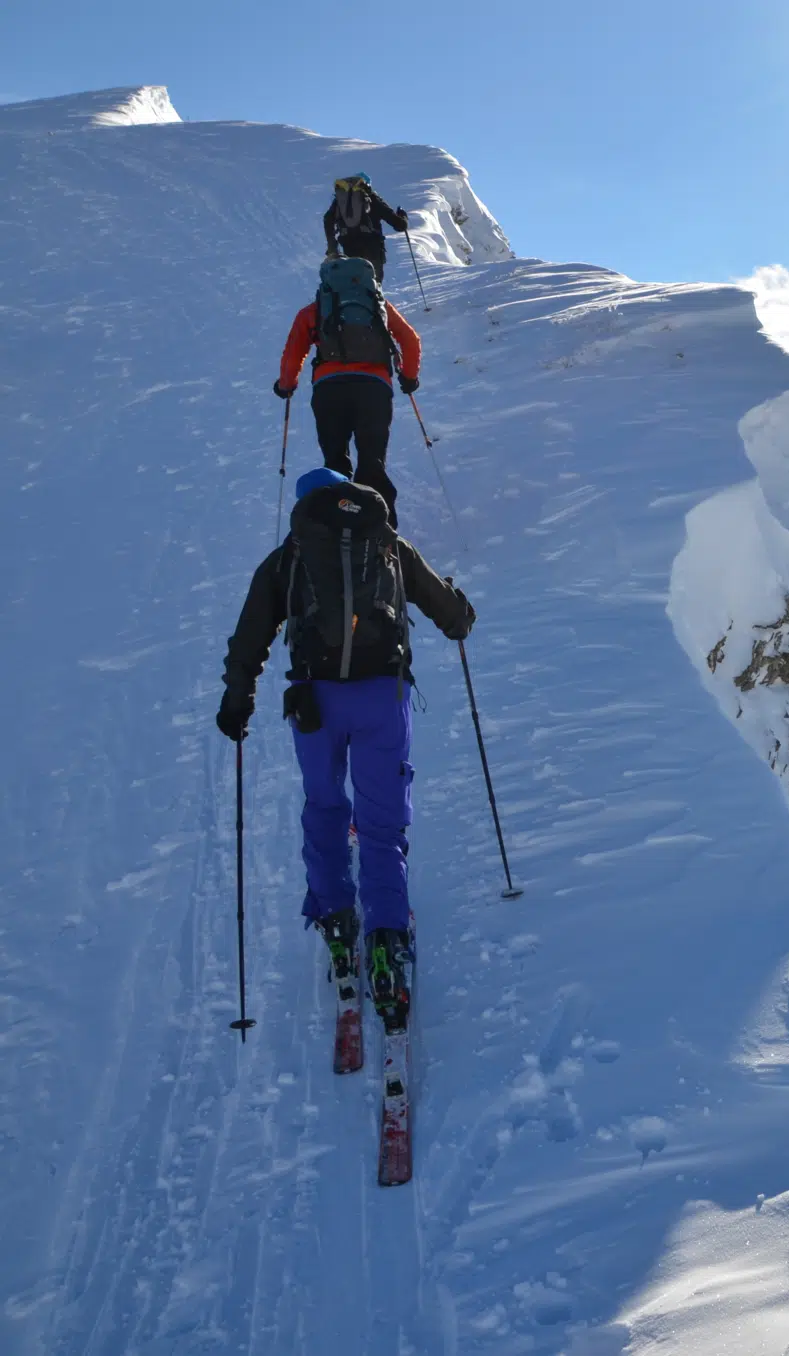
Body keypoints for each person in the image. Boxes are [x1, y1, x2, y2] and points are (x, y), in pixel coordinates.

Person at [215, 468, 474, 1025]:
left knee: (326, 808)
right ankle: (386, 935)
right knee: (381, 822)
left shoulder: (290, 555)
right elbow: (447, 612)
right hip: (382, 694)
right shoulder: (385, 542)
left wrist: (238, 700)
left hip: (315, 702)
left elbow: (250, 633)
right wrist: (459, 614)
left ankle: (336, 919)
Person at [274, 256, 422, 520]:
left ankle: (338, 526)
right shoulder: (379, 307)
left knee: (335, 460)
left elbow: (292, 354)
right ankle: (383, 531)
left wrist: (286, 385)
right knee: (372, 459)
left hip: (329, 389)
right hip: (374, 389)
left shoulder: (315, 309)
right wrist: (409, 378)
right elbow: (410, 340)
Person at [324, 173, 408, 282]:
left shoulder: (340, 201)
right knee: (373, 288)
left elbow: (327, 220)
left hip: (349, 251)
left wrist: (332, 247)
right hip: (373, 251)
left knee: (353, 286)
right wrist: (403, 216)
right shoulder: (372, 199)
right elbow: (400, 225)